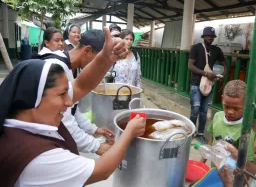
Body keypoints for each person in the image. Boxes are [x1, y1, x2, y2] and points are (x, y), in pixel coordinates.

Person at [0, 59, 146, 187]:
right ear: (33, 98)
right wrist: (128, 132)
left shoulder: (17, 124)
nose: (69, 102)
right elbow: (102, 170)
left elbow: (80, 86)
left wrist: (107, 57)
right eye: (62, 94)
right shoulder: (38, 158)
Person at [32, 28, 115, 155]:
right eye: (98, 61)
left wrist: (93, 129)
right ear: (87, 50)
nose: (97, 67)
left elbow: (69, 109)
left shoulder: (67, 67)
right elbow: (64, 123)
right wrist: (96, 146)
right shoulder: (55, 68)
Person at [188, 26, 228, 142]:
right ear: (204, 36)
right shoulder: (196, 48)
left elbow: (225, 65)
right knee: (195, 109)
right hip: (196, 83)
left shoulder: (216, 50)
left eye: (212, 36)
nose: (210, 37)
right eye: (208, 35)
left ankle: (200, 134)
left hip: (209, 84)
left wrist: (223, 75)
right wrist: (205, 73)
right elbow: (190, 66)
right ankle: (191, 132)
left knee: (204, 111)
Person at [201, 80, 255, 163]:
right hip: (214, 169)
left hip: (230, 174)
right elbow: (212, 141)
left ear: (246, 104)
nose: (230, 112)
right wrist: (201, 162)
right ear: (222, 99)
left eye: (236, 108)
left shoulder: (246, 131)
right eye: (226, 106)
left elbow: (248, 163)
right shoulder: (217, 116)